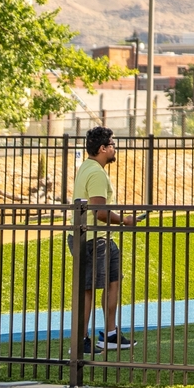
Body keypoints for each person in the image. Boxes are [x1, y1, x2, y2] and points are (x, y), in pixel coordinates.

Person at [72, 127, 137, 352]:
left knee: (112, 283)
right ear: (103, 148)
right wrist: (124, 221)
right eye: (113, 145)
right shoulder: (96, 172)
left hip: (100, 238)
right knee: (88, 289)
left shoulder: (88, 167)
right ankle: (80, 342)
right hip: (92, 239)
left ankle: (110, 335)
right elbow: (99, 211)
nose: (115, 148)